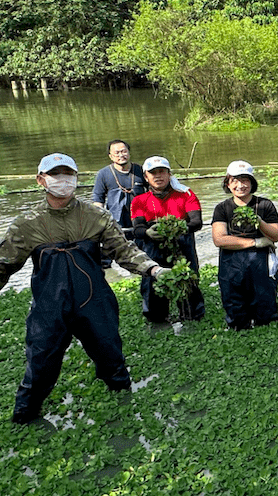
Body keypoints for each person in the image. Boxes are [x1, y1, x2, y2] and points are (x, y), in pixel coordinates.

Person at [0, 153, 167, 424]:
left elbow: (124, 251)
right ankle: (24, 417)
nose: (62, 181)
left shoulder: (96, 215)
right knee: (40, 362)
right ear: (41, 180)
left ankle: (124, 404)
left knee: (111, 355)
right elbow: (4, 265)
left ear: (77, 179)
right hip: (49, 307)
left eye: (68, 174)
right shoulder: (26, 224)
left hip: (95, 302)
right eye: (56, 175)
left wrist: (154, 269)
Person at [130, 156, 205, 322]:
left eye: (162, 172)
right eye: (153, 173)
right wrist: (148, 232)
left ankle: (192, 317)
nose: (158, 176)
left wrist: (180, 228)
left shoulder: (185, 194)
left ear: (169, 174)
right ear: (146, 177)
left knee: (187, 279)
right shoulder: (139, 200)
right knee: (152, 283)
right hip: (153, 247)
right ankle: (157, 318)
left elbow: (196, 222)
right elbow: (138, 228)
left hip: (182, 245)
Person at [211, 161, 278, 330]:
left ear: (252, 182)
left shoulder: (264, 205)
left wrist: (260, 222)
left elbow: (276, 235)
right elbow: (219, 239)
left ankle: (265, 325)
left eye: (245, 180)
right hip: (231, 259)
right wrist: (255, 242)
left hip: (260, 260)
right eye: (234, 180)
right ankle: (239, 327)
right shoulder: (222, 208)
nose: (240, 185)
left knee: (264, 300)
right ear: (228, 184)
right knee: (234, 298)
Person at [91, 140, 147, 236]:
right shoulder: (103, 174)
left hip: (141, 218)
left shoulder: (140, 170)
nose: (121, 155)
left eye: (124, 151)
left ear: (129, 152)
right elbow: (98, 200)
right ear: (111, 156)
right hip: (116, 220)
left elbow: (154, 191)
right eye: (117, 153)